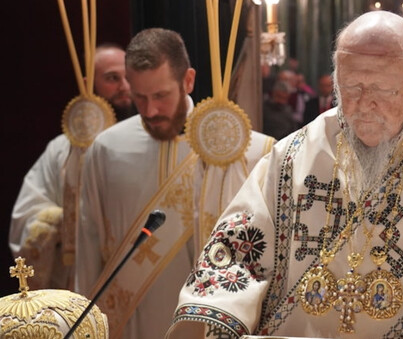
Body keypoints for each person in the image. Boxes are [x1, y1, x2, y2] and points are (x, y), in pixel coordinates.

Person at [168, 11, 403, 338]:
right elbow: (237, 250)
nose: (364, 104)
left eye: (381, 89)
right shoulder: (293, 157)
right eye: (351, 87)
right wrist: (222, 312)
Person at [76, 28, 275, 339]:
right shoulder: (106, 149)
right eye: (139, 97)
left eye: (160, 95)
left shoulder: (249, 152)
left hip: (210, 324)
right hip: (131, 326)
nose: (150, 110)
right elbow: (89, 245)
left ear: (188, 81)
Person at [9, 44, 134, 290]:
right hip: (75, 277)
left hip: (131, 273)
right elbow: (26, 217)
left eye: (129, 78)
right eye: (112, 78)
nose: (125, 87)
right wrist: (66, 220)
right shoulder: (62, 150)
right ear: (88, 84)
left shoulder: (145, 144)